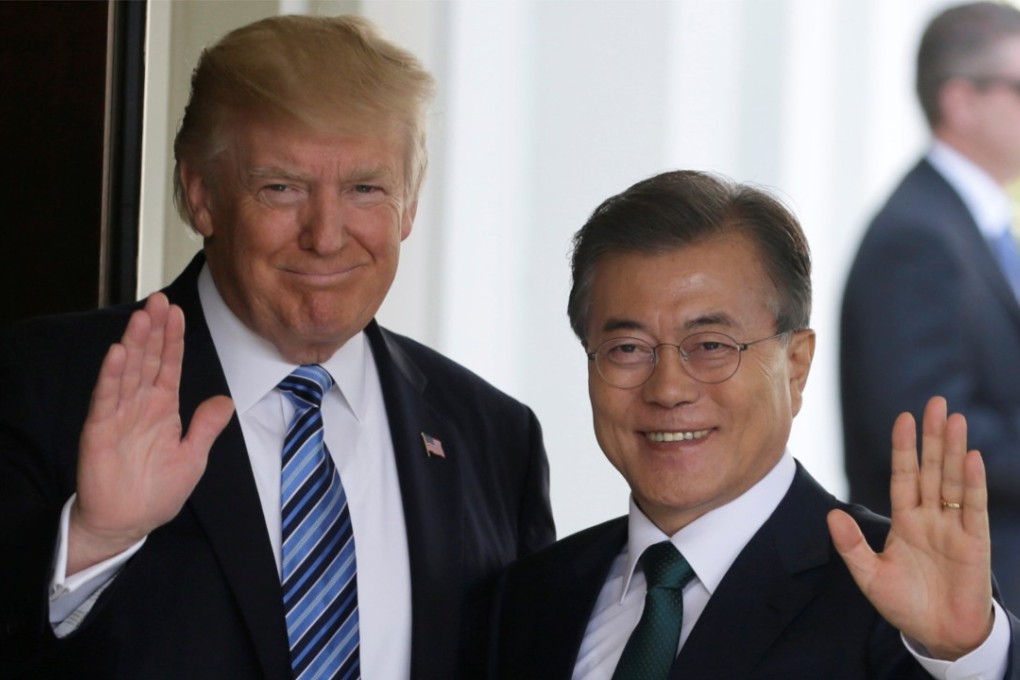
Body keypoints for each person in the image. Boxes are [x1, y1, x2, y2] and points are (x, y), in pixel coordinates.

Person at [0, 14, 554, 679]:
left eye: (365, 189)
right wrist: (93, 542)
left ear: (409, 206)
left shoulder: (494, 437)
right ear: (200, 193)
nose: (325, 235)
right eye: (282, 188)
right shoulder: (40, 385)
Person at [491, 170, 1020, 679]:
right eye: (628, 349)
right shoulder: (529, 600)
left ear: (796, 365)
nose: (669, 389)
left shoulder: (893, 595)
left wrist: (971, 657)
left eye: (712, 346)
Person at [841, 1, 1020, 605]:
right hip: (954, 598)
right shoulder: (917, 236)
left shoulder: (974, 224)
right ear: (961, 101)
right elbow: (928, 434)